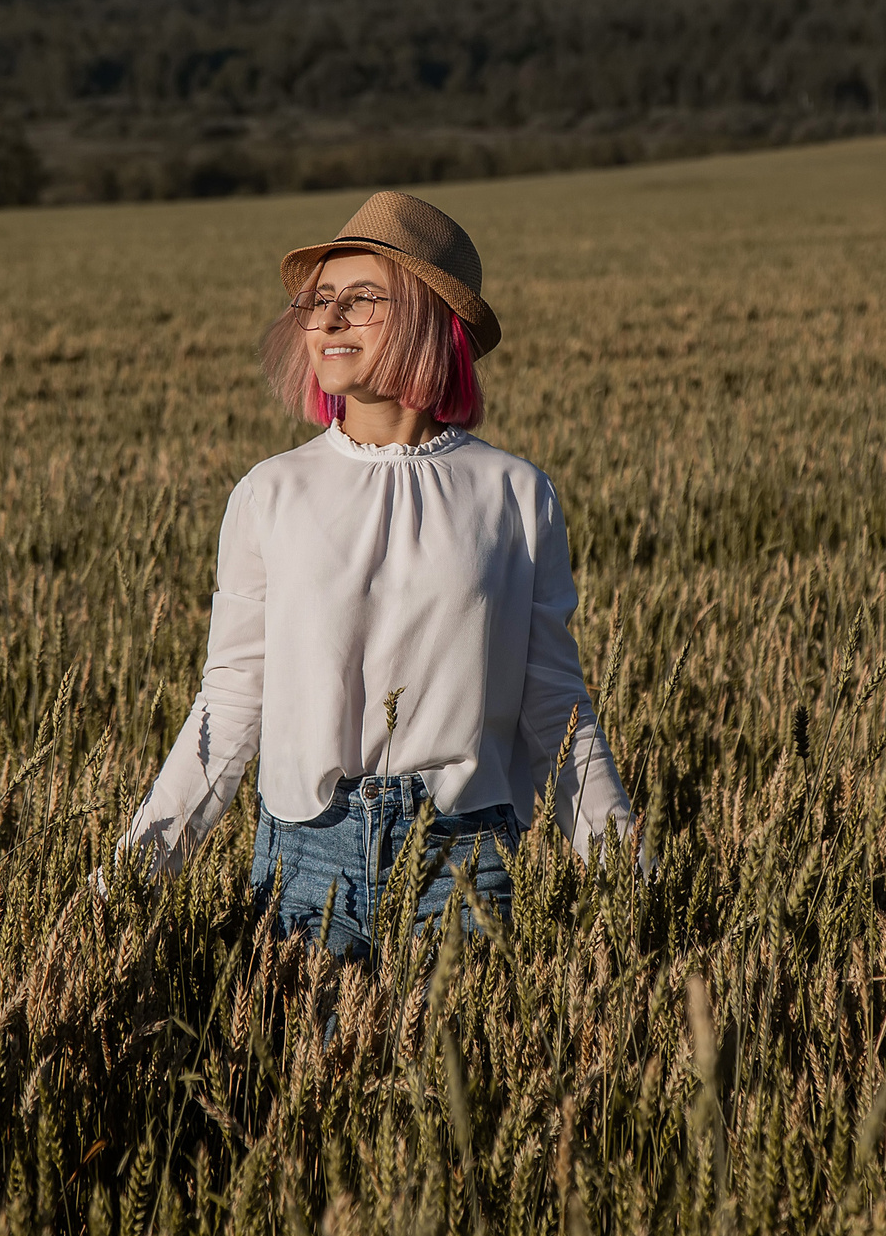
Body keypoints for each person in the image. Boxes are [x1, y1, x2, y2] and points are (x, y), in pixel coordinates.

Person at [115, 190, 638, 956]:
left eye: (361, 299)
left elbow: (555, 705)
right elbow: (228, 706)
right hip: (305, 863)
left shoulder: (515, 494)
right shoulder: (271, 493)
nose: (327, 319)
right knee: (310, 1078)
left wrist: (632, 875)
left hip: (467, 863)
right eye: (318, 300)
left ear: (431, 316)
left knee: (459, 1079)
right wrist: (132, 875)